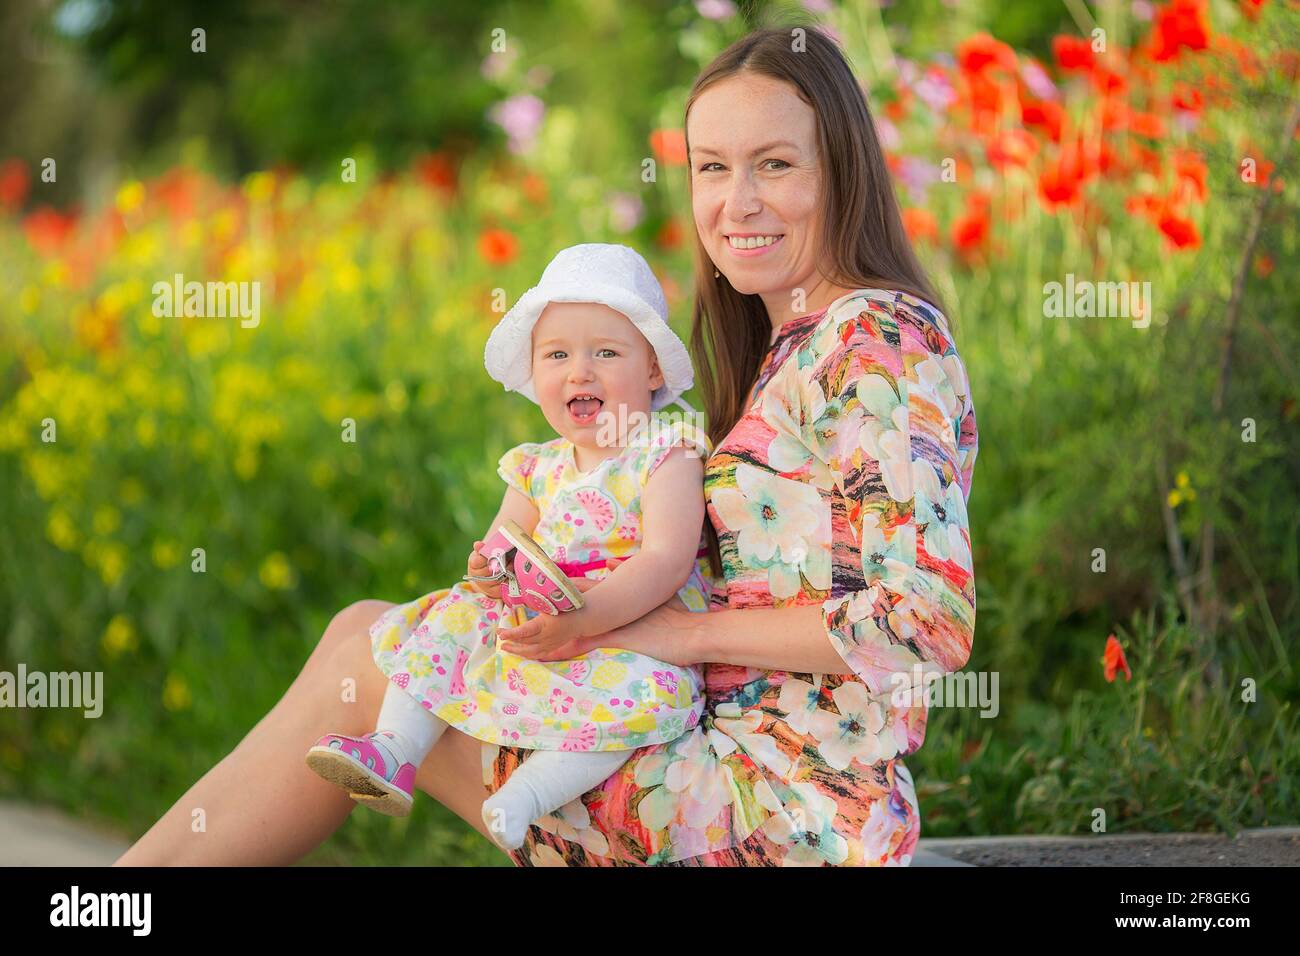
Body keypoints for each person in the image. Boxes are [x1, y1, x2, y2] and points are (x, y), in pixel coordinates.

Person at [115, 25, 978, 867]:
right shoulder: (797, 342)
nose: (735, 201)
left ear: (845, 172)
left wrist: (683, 635)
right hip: (720, 762)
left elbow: (927, 620)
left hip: (786, 814)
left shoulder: (875, 341)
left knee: (362, 659)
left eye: (775, 164)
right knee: (373, 641)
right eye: (712, 168)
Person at [303, 243, 720, 852]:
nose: (580, 372)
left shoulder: (667, 453)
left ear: (653, 369)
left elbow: (664, 559)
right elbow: (503, 548)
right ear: (536, 372)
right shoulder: (536, 467)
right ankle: (393, 750)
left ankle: (523, 795)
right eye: (558, 355)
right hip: (543, 620)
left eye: (606, 352)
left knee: (635, 706)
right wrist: (489, 570)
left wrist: (588, 620)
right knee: (447, 620)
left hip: (631, 629)